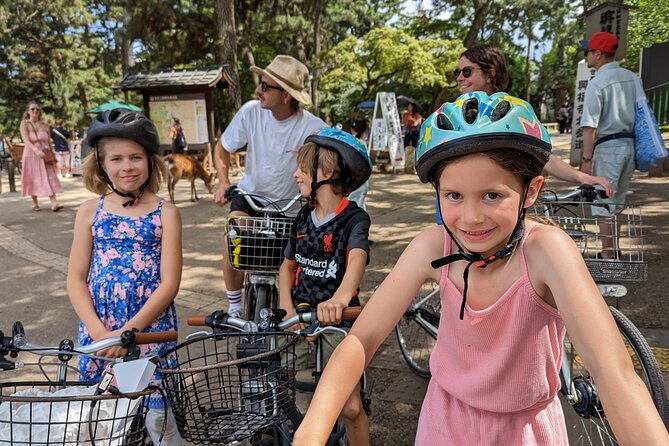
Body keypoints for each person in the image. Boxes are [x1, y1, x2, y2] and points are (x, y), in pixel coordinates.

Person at [292, 92, 669, 445]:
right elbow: (361, 339)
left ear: (531, 191)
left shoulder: (546, 252)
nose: (471, 218)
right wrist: (312, 429)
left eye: (492, 195)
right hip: (444, 423)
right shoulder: (432, 245)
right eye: (453, 196)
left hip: (525, 431)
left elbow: (614, 373)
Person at [66, 108, 183, 445]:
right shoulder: (90, 211)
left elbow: (169, 283)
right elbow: (75, 279)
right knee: (100, 419)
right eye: (116, 158)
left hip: (149, 329)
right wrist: (102, 334)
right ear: (102, 165)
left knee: (158, 419)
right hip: (99, 331)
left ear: (150, 161)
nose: (127, 166)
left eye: (135, 157)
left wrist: (129, 332)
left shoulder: (167, 213)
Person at [279, 127, 372, 446]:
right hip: (301, 317)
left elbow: (357, 258)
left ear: (328, 172)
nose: (296, 176)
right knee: (283, 380)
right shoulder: (302, 216)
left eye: (303, 169)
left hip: (339, 319)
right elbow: (286, 266)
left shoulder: (354, 219)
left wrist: (341, 299)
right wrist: (287, 308)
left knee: (349, 407)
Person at [213, 54, 326, 317]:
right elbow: (223, 148)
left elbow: (332, 161)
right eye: (260, 84)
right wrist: (222, 182)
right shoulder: (251, 112)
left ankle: (297, 310)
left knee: (298, 259)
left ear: (286, 95)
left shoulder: (313, 127)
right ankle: (233, 308)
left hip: (291, 205)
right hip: (251, 196)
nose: (258, 90)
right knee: (233, 238)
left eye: (265, 86)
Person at [453, 44, 613, 198]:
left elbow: (544, 158)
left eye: (467, 71)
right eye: (457, 72)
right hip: (453, 204)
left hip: (496, 206)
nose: (460, 78)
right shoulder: (452, 113)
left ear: (491, 73)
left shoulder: (515, 110)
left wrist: (582, 177)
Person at [579, 32, 637, 260]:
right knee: (618, 201)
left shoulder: (598, 82)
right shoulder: (633, 78)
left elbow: (589, 126)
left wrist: (586, 162)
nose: (586, 57)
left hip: (607, 147)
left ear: (598, 54)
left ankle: (607, 255)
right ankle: (615, 249)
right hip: (629, 145)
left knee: (603, 202)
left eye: (588, 52)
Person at [19, 101, 63, 212]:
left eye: (37, 109)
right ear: (28, 111)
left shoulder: (44, 125)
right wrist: (36, 151)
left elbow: (48, 141)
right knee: (33, 176)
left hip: (45, 154)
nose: (35, 111)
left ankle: (54, 202)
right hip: (31, 154)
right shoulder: (25, 124)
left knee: (50, 176)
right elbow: (26, 140)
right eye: (32, 109)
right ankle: (35, 203)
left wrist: (52, 154)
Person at [348, 117, 371, 211]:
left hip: (351, 180)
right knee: (358, 207)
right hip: (360, 180)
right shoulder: (361, 144)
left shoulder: (350, 142)